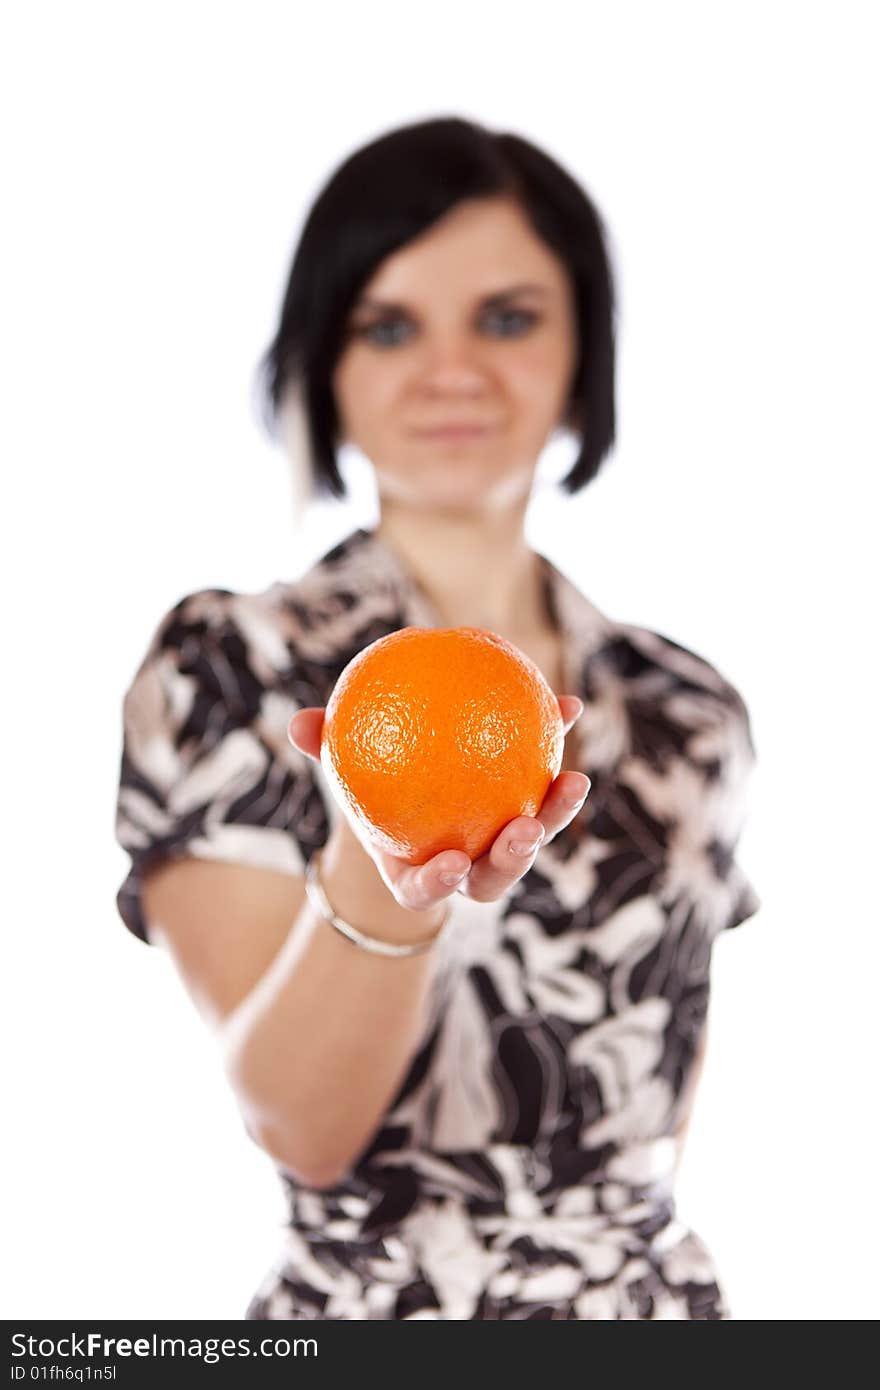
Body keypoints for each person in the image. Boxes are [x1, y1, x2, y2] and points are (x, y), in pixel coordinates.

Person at [114, 117, 761, 1320]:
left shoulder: (691, 713)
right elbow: (299, 1128)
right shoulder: (228, 669)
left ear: (583, 351)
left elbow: (651, 1111)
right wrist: (374, 862)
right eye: (389, 323)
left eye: (507, 318)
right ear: (324, 361)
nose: (452, 369)